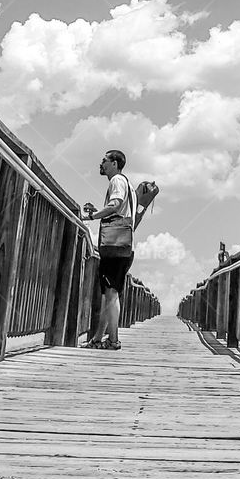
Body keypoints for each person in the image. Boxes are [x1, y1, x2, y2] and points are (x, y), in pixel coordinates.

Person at [82, 149, 151, 350]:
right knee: (110, 294)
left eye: (104, 161)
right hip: (124, 247)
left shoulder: (117, 181)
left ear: (114, 163)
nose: (101, 164)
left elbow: (115, 203)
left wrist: (92, 216)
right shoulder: (128, 183)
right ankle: (98, 338)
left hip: (114, 247)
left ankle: (113, 340)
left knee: (111, 294)